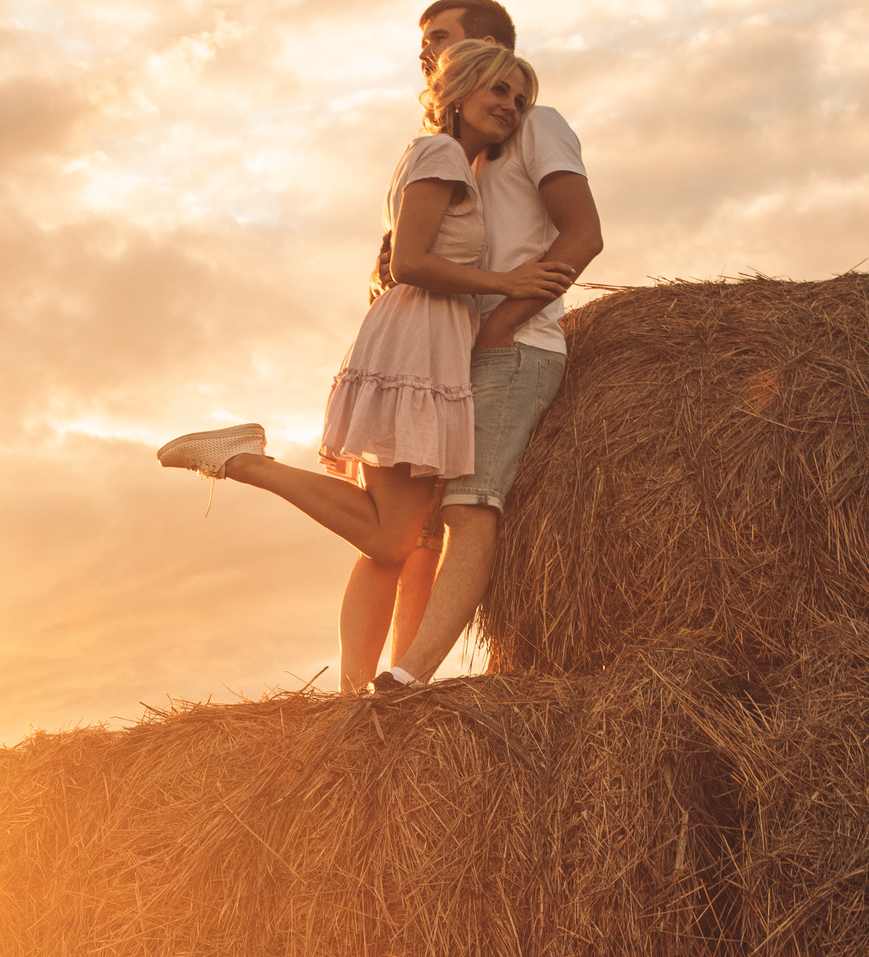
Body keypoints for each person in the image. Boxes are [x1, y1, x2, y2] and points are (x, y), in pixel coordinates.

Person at [154, 37, 577, 693]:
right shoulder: (439, 152)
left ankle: (360, 688)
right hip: (421, 336)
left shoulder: (450, 159)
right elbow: (408, 262)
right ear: (459, 89)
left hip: (425, 333)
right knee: (390, 539)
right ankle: (242, 459)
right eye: (498, 90)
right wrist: (510, 281)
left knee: (394, 537)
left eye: (521, 100)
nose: (512, 106)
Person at [375, 0, 604, 689]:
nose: (424, 51)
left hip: (515, 343)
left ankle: (410, 676)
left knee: (471, 505)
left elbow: (583, 235)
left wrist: (505, 319)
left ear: (482, 47)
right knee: (414, 528)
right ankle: (383, 674)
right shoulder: (462, 152)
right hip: (461, 352)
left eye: (438, 38)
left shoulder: (539, 126)